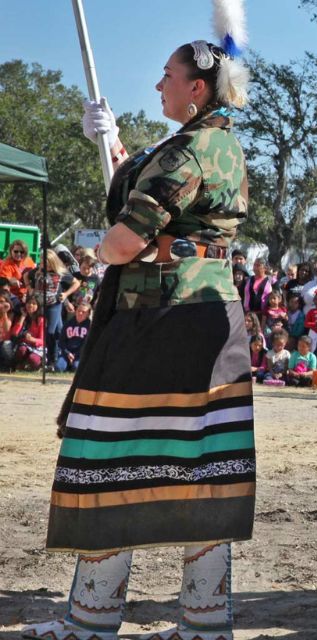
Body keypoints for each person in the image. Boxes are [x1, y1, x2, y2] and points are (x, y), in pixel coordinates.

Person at [21, 29, 254, 640]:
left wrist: (99, 249)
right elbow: (166, 202)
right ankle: (205, 624)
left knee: (109, 455)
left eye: (167, 77)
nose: (158, 85)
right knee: (205, 469)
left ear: (196, 88)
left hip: (160, 320)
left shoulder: (188, 152)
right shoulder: (220, 146)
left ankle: (93, 619)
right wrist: (116, 146)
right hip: (210, 319)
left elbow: (125, 239)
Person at [27, 250, 78, 370]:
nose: (45, 265)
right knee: (58, 331)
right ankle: (59, 357)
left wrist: (66, 294)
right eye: (43, 262)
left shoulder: (61, 273)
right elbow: (26, 276)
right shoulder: (38, 272)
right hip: (40, 304)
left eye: (47, 262)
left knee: (49, 331)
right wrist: (29, 287)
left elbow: (76, 283)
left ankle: (52, 359)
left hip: (54, 304)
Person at [11, 293, 45, 371]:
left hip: (37, 347)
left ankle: (37, 365)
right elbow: (14, 333)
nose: (30, 305)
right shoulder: (23, 316)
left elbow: (42, 341)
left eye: (34, 303)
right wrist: (23, 317)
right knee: (21, 350)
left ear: (38, 306)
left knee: (33, 359)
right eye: (29, 303)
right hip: (24, 345)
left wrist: (32, 339)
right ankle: (20, 364)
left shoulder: (41, 320)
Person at [56, 301, 91, 372]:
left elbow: (87, 345)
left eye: (83, 312)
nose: (80, 313)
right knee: (58, 368)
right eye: (79, 311)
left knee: (76, 368)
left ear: (88, 314)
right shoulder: (68, 324)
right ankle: (67, 365)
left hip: (80, 355)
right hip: (67, 353)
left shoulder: (90, 326)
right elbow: (61, 341)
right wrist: (67, 353)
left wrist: (76, 355)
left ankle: (72, 365)